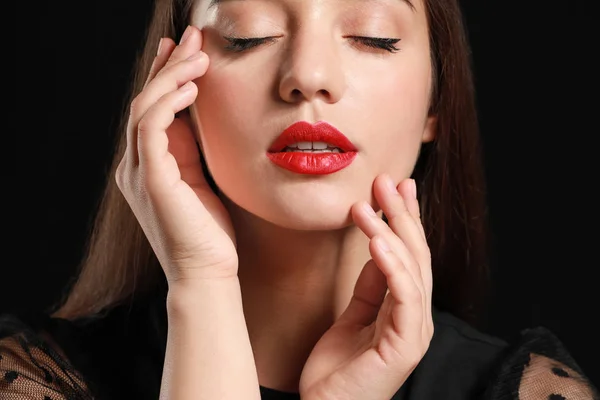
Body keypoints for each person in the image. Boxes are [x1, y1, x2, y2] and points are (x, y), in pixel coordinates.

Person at [1, 0, 597, 398]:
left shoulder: (525, 389)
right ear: (174, 87)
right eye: (248, 35)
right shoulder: (32, 379)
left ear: (436, 102)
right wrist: (202, 286)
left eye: (373, 36)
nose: (309, 74)